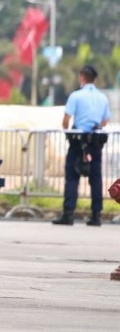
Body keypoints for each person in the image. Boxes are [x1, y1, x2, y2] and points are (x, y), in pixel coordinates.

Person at [52, 64, 110, 226]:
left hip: (78, 140)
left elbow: (66, 119)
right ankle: (96, 215)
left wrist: (67, 132)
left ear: (82, 77)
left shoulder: (76, 96)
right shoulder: (102, 97)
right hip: (95, 141)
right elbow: (105, 120)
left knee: (72, 177)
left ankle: (68, 214)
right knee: (96, 178)